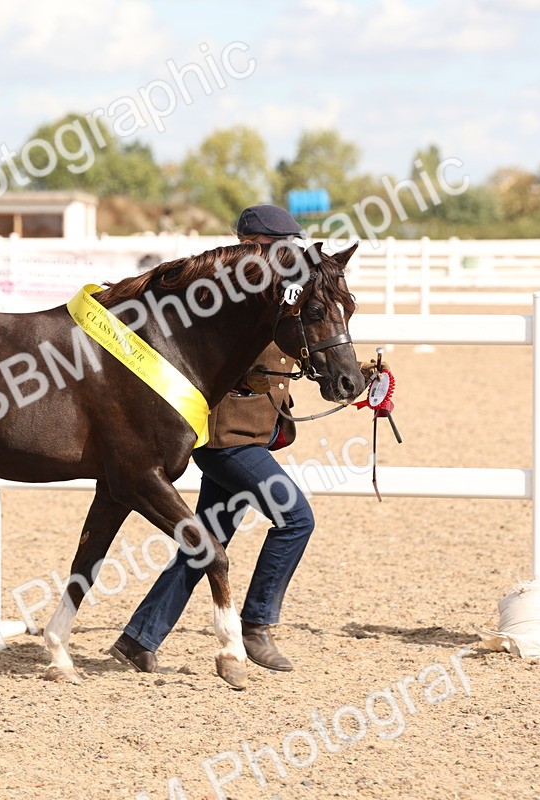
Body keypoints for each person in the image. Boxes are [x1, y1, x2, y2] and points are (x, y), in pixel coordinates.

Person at [109, 204, 376, 688]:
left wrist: (353, 373)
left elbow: (302, 342)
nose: (292, 254)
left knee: (206, 542)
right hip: (225, 438)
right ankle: (256, 624)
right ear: (256, 244)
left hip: (252, 433)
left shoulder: (277, 290)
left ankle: (139, 638)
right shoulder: (236, 296)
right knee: (296, 518)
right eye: (285, 245)